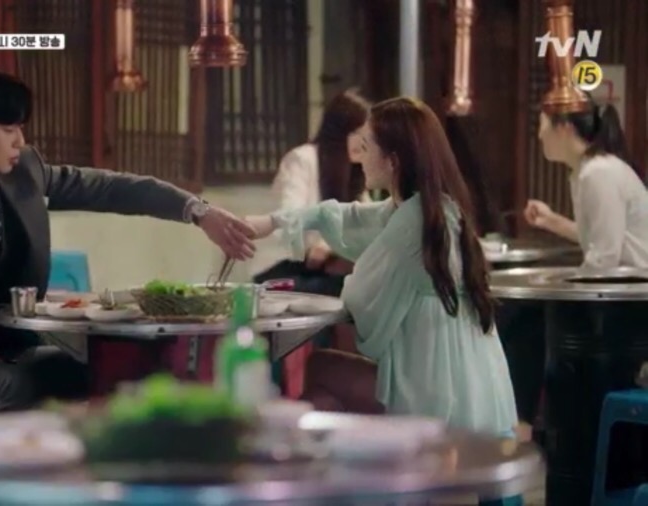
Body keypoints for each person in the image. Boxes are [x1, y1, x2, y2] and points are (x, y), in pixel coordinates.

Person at [0, 66, 256, 435]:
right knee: (17, 389)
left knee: (106, 375)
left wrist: (197, 211)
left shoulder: (24, 171)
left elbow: (109, 188)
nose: (20, 140)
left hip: (6, 349)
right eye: (9, 129)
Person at [246, 97, 517, 436]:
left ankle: (313, 460)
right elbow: (348, 216)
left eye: (366, 147)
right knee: (324, 379)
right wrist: (270, 222)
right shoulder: (430, 208)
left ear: (392, 161)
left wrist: (351, 279)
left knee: (322, 369)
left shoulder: (412, 221)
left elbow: (361, 299)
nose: (359, 157)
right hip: (465, 382)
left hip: (436, 389)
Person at [251, 90, 370, 294]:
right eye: (358, 133)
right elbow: (290, 219)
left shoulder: (356, 171)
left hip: (324, 268)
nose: (363, 142)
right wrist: (329, 245)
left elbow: (366, 223)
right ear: (339, 132)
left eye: (369, 136)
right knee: (354, 290)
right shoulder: (302, 159)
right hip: (283, 268)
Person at [524, 100, 648, 269]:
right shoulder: (586, 170)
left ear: (564, 129)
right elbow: (598, 236)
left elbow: (605, 257)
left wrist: (569, 282)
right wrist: (551, 220)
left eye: (542, 125)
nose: (539, 135)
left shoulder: (599, 171)